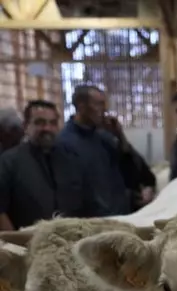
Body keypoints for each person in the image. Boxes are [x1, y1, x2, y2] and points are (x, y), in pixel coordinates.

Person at [0, 100, 101, 230]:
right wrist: (15, 242)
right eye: (39, 123)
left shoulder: (73, 159)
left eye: (52, 123)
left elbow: (89, 204)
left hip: (73, 239)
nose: (47, 128)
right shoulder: (9, 162)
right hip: (27, 243)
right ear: (26, 126)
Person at [57, 85, 130, 215]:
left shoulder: (104, 137)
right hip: (92, 219)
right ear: (81, 107)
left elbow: (129, 168)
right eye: (99, 104)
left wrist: (119, 135)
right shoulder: (65, 143)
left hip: (118, 213)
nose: (105, 110)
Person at [101, 114, 157, 213]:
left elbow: (149, 178)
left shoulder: (127, 151)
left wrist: (148, 190)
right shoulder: (96, 155)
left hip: (135, 210)